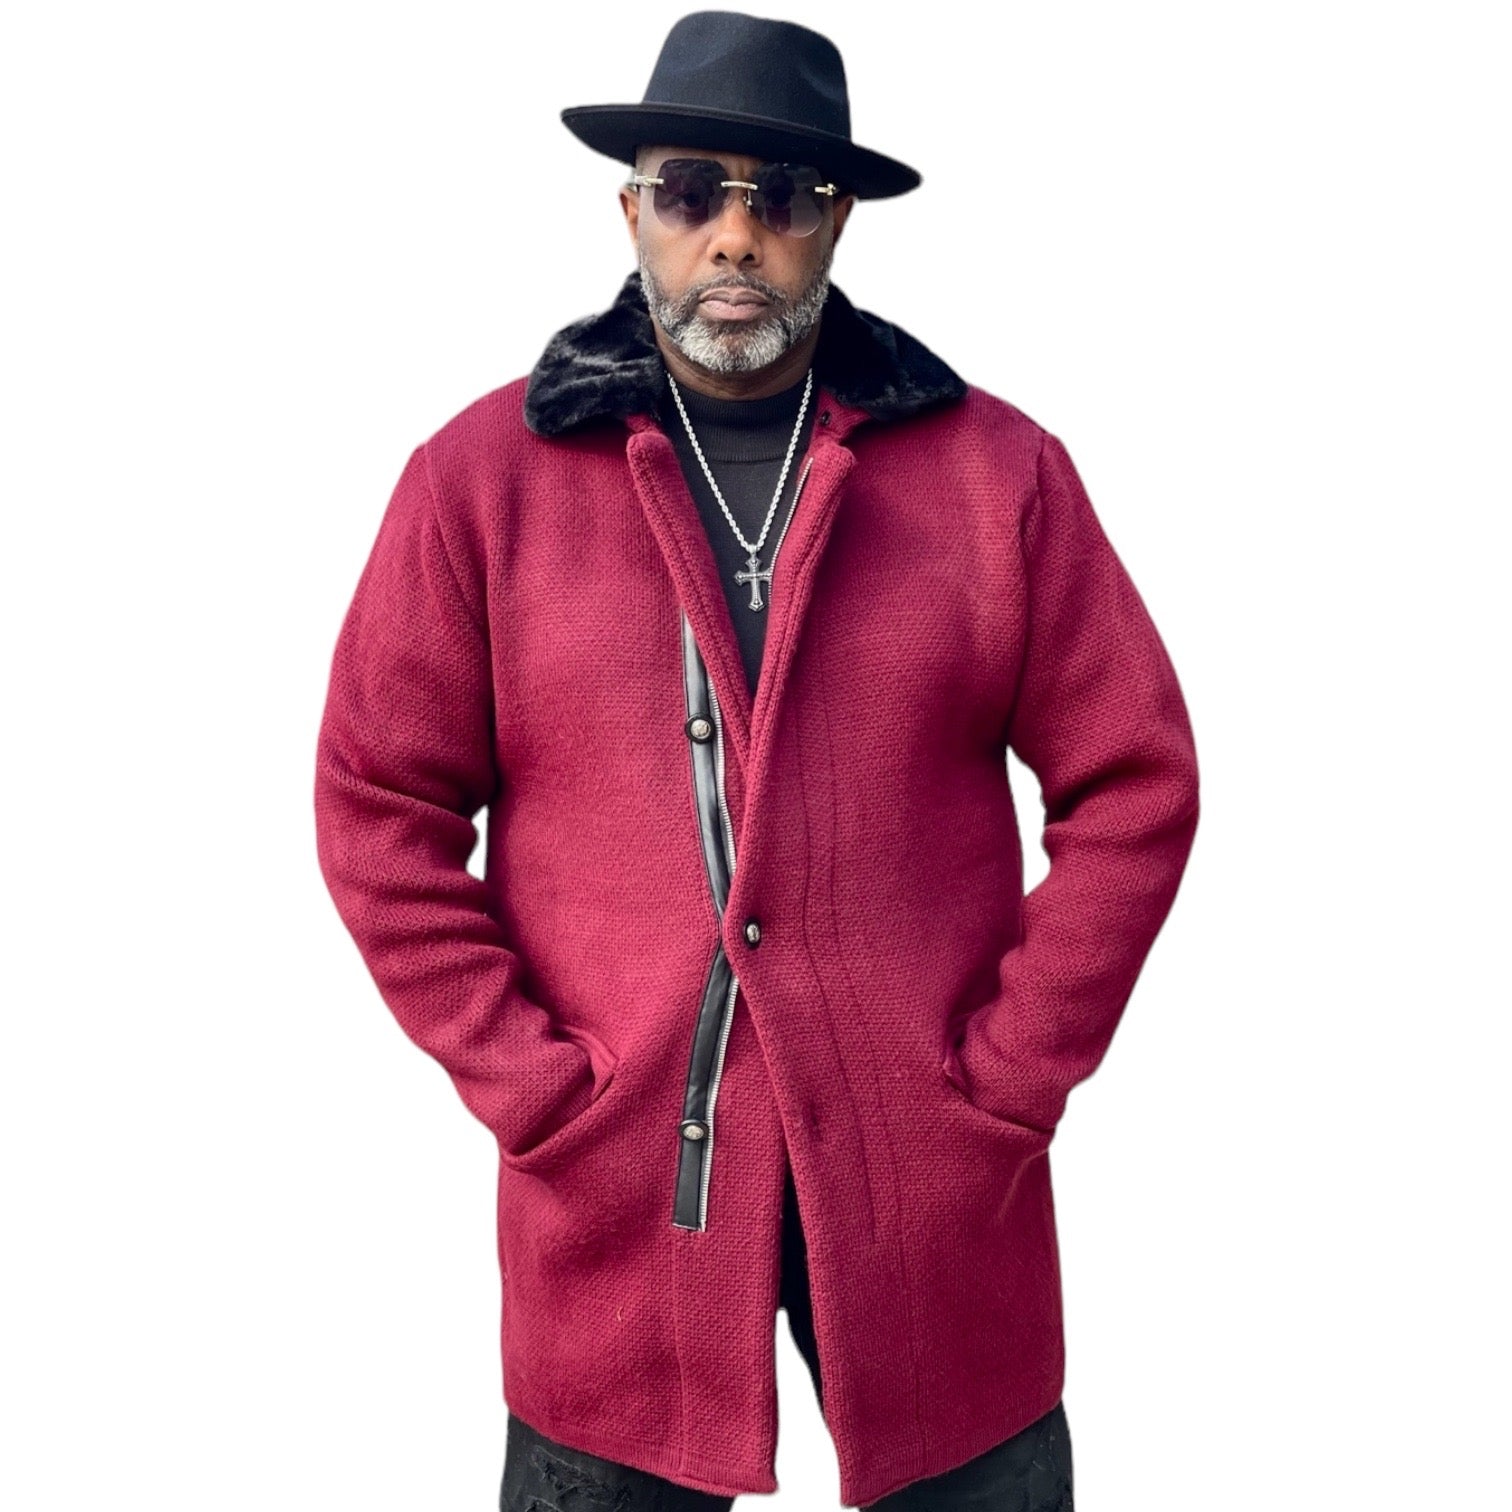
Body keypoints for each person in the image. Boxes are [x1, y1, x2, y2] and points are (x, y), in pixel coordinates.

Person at [313, 11, 1200, 1511]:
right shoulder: (479, 484)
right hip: (618, 1202)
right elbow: (376, 805)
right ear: (631, 212)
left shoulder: (999, 478)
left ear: (835, 220)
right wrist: (536, 1089)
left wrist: (1012, 1076)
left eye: (780, 197)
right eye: (691, 191)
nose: (734, 234)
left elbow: (1136, 782)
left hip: (935, 1196)